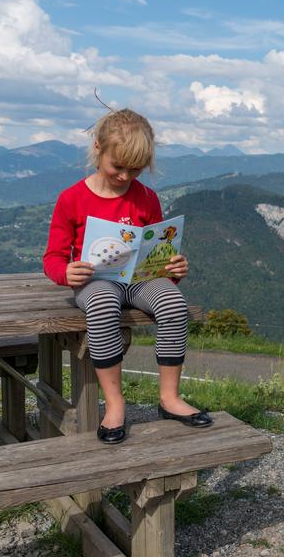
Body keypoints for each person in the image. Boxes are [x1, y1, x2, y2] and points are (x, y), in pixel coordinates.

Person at [43, 108, 211, 444]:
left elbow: (156, 253)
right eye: (117, 166)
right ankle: (115, 404)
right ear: (97, 149)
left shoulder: (146, 198)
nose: (124, 176)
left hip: (139, 281)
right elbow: (53, 258)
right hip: (95, 281)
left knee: (173, 304)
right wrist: (66, 272)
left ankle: (169, 397)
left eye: (134, 170)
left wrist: (173, 269)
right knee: (104, 303)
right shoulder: (72, 199)